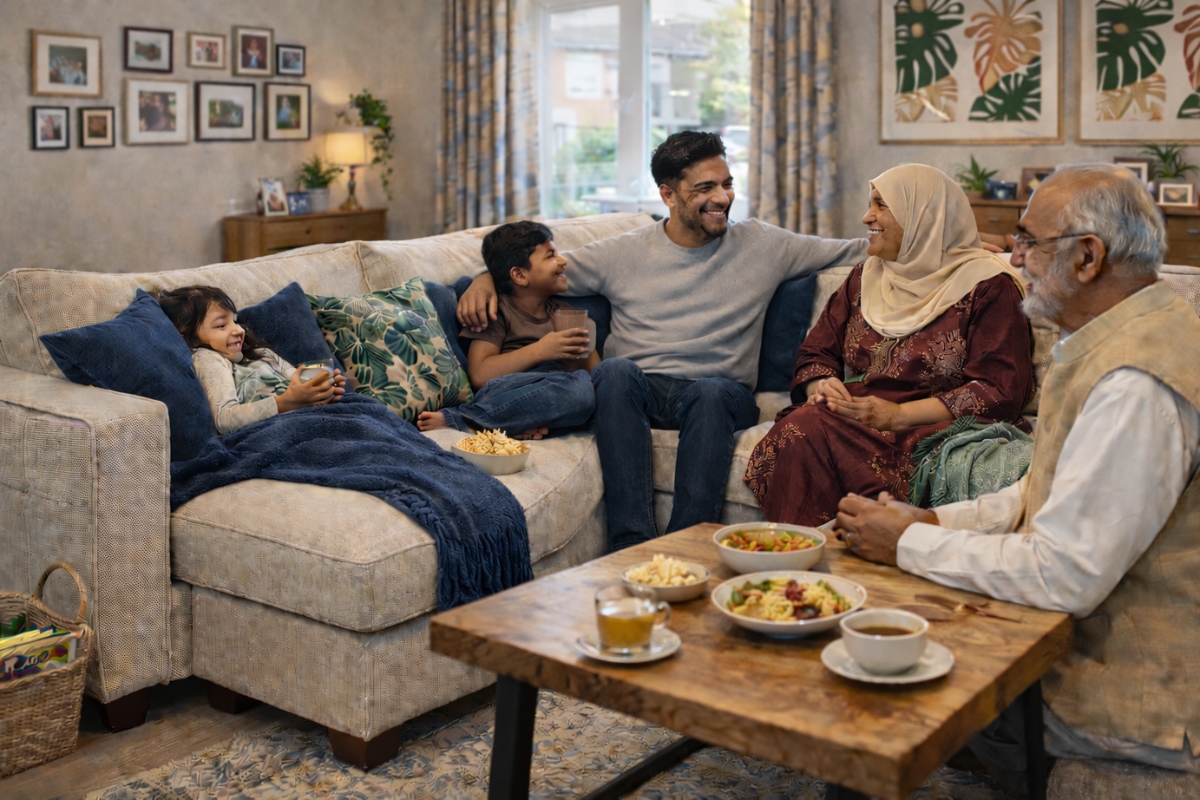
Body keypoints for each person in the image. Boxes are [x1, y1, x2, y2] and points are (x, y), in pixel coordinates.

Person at [833, 163, 1200, 790]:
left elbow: (1066, 576)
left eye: (1029, 241)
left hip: (1129, 692)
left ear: (1088, 257)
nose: (1013, 255)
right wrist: (932, 520)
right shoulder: (1129, 333)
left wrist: (908, 544)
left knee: (886, 685)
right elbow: (1044, 491)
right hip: (1094, 639)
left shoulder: (1135, 383)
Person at [458, 131, 868, 551]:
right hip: (640, 390)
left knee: (709, 394)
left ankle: (687, 548)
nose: (722, 198)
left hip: (720, 393)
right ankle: (631, 545)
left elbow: (858, 249)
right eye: (705, 188)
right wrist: (486, 278)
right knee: (614, 372)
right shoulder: (621, 252)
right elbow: (538, 270)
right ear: (668, 195)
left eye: (726, 184)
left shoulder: (764, 243)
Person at [743, 164, 1033, 526]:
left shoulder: (988, 286)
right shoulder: (865, 277)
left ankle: (809, 554)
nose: (867, 217)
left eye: (881, 205)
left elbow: (1000, 390)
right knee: (806, 424)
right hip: (858, 419)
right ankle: (816, 555)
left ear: (922, 216)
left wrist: (897, 416)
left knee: (806, 429)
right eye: (870, 204)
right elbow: (815, 352)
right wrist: (824, 387)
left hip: (929, 431)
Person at [417, 221, 599, 436]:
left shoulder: (567, 312)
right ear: (520, 275)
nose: (563, 260)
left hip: (552, 390)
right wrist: (541, 350)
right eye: (550, 255)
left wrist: (584, 347)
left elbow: (595, 378)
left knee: (583, 389)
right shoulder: (496, 309)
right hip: (507, 391)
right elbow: (479, 375)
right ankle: (465, 419)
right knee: (578, 390)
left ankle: (514, 424)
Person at [158, 286, 346, 434]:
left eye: (236, 321)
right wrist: (285, 402)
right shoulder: (209, 358)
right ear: (192, 336)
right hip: (275, 432)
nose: (238, 330)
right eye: (222, 325)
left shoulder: (263, 353)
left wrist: (319, 390)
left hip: (306, 419)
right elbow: (224, 420)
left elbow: (295, 381)